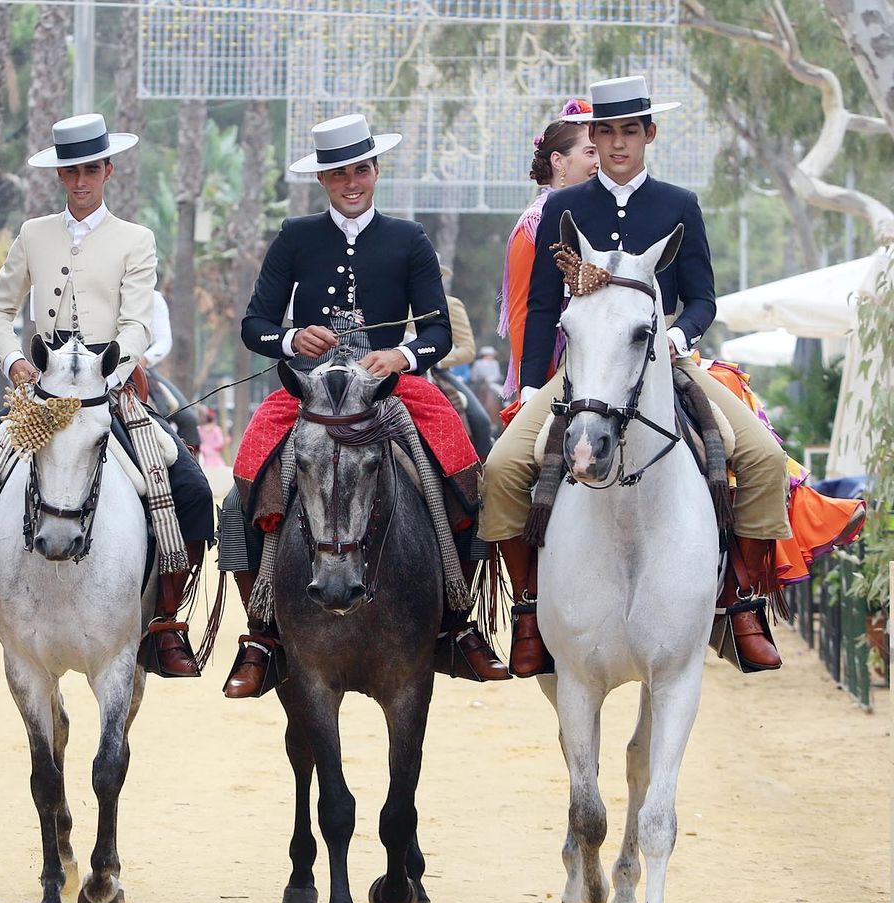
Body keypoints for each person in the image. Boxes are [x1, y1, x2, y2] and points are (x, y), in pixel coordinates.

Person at [481, 75, 791, 675]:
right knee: (501, 468)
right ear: (593, 136)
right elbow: (545, 306)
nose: (617, 144)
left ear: (649, 134)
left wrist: (677, 335)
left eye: (629, 131)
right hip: (584, 369)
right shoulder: (563, 209)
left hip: (666, 359)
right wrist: (524, 389)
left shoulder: (678, 204)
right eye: (605, 133)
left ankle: (742, 604)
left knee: (763, 459)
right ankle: (527, 608)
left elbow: (702, 298)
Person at [221, 113, 509, 697]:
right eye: (338, 173)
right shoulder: (295, 236)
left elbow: (437, 332)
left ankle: (457, 618)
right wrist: (290, 340)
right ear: (323, 180)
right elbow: (254, 323)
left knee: (466, 467)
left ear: (376, 171)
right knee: (243, 483)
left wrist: (401, 356)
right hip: (310, 391)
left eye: (361, 169)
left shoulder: (409, 239)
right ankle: (262, 634)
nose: (351, 181)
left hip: (389, 389)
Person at [0, 113, 216, 677]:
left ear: (108, 169)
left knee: (191, 491)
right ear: (60, 176)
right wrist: (16, 359)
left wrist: (109, 374)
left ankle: (165, 622)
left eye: (90, 169)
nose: (80, 181)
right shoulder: (33, 234)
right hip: (39, 396)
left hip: (110, 392)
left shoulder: (136, 240)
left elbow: (138, 325)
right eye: (70, 172)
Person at [498, 98, 598, 402]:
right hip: (560, 368)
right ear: (559, 161)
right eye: (590, 152)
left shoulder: (599, 214)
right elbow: (522, 313)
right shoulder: (534, 223)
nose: (599, 161)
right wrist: (532, 387)